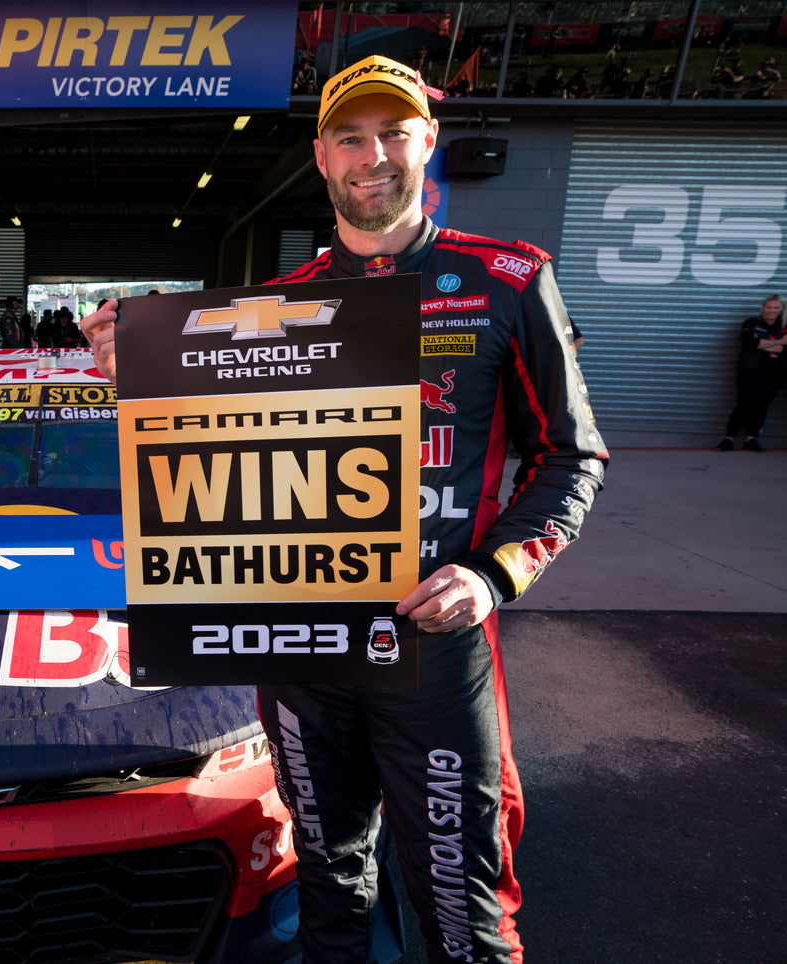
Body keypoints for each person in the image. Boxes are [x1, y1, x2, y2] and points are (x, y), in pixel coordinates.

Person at [83, 55, 606, 964]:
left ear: (427, 143)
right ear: (321, 157)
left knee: (460, 899)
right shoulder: (272, 308)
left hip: (430, 647)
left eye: (394, 133)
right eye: (352, 138)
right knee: (328, 890)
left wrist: (493, 575)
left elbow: (571, 456)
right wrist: (140, 378)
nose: (374, 155)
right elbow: (207, 476)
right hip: (300, 646)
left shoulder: (508, 282)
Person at [716, 293, 785, 451]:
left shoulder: (785, 326)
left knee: (762, 405)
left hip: (776, 372)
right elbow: (749, 343)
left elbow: (784, 350)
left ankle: (751, 439)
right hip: (750, 369)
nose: (771, 310)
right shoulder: (752, 322)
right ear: (763, 308)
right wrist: (780, 343)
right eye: (768, 307)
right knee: (744, 403)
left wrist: (762, 343)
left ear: (782, 309)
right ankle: (728, 439)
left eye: (776, 307)